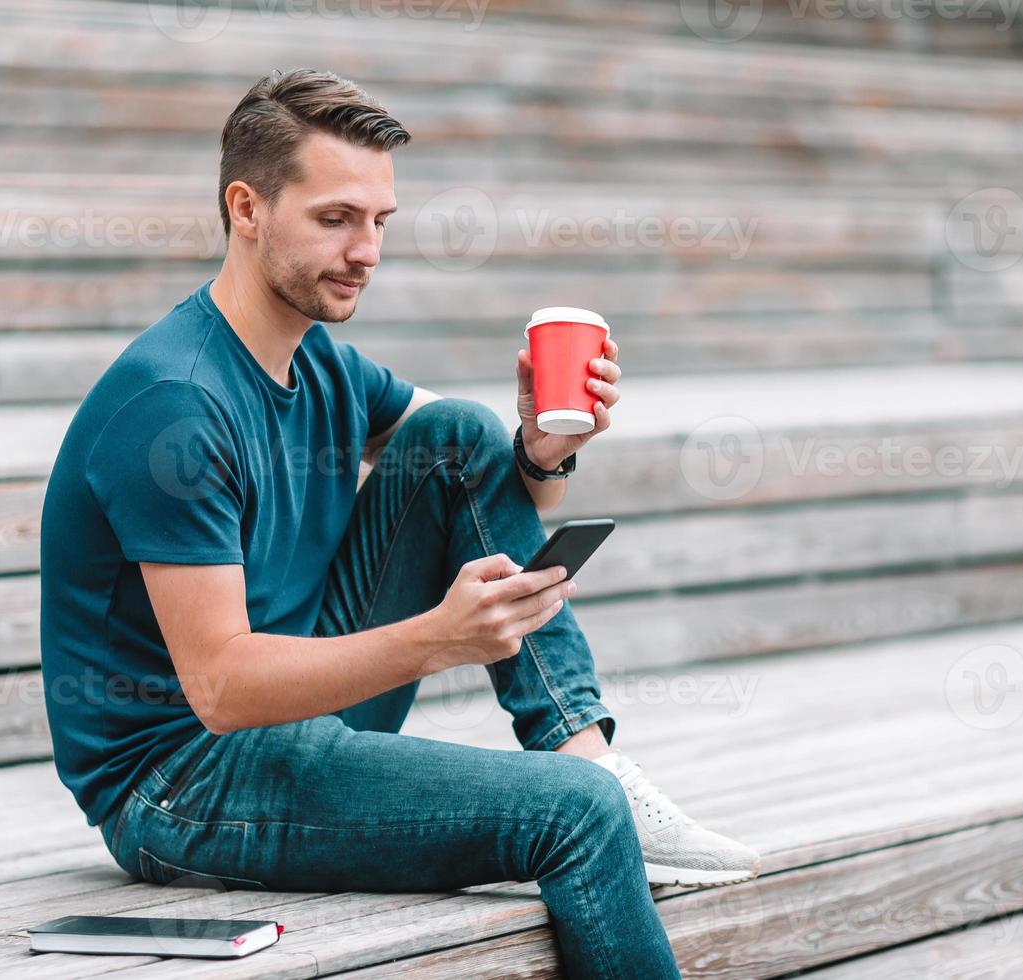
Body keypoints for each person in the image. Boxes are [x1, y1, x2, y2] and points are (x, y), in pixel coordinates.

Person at [39, 67, 758, 979]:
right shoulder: (172, 404)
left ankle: (590, 753)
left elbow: (493, 492)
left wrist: (541, 450)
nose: (367, 250)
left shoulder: (324, 366)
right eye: (336, 218)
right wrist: (438, 640)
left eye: (380, 222)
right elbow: (220, 689)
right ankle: (593, 786)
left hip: (303, 714)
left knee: (459, 432)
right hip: (183, 781)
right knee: (572, 814)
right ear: (247, 208)